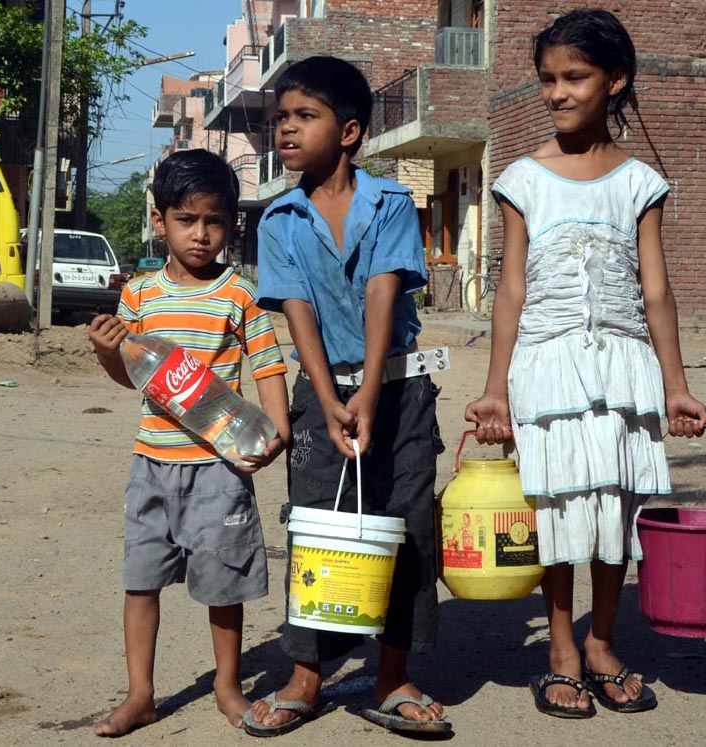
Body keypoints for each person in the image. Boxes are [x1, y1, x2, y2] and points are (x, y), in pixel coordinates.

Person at [465, 9, 706, 719]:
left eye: (574, 76)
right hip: (545, 371)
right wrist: (493, 392)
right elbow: (510, 290)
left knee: (613, 505)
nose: (557, 92)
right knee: (557, 508)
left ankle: (603, 641)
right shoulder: (521, 179)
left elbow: (655, 288)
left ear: (615, 81)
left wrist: (676, 385)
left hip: (623, 368)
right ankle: (562, 651)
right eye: (547, 79)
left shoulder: (639, 183)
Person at [242, 56, 450, 738]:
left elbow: (384, 292)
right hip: (322, 391)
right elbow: (295, 309)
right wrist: (331, 398)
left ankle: (392, 673)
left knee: (407, 521)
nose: (287, 131)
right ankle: (308, 673)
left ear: (351, 130)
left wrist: (367, 391)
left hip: (399, 388)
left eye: (305, 116)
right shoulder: (278, 219)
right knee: (317, 523)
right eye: (280, 120)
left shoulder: (389, 203)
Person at [87, 148, 291, 737]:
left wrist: (275, 433)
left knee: (223, 582)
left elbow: (268, 366)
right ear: (160, 221)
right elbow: (132, 377)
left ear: (231, 224)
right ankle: (141, 695)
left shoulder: (238, 295)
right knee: (141, 578)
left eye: (215, 222)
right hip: (152, 463)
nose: (201, 235)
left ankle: (228, 687)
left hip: (219, 466)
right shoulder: (140, 298)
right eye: (187, 220)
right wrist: (107, 351)